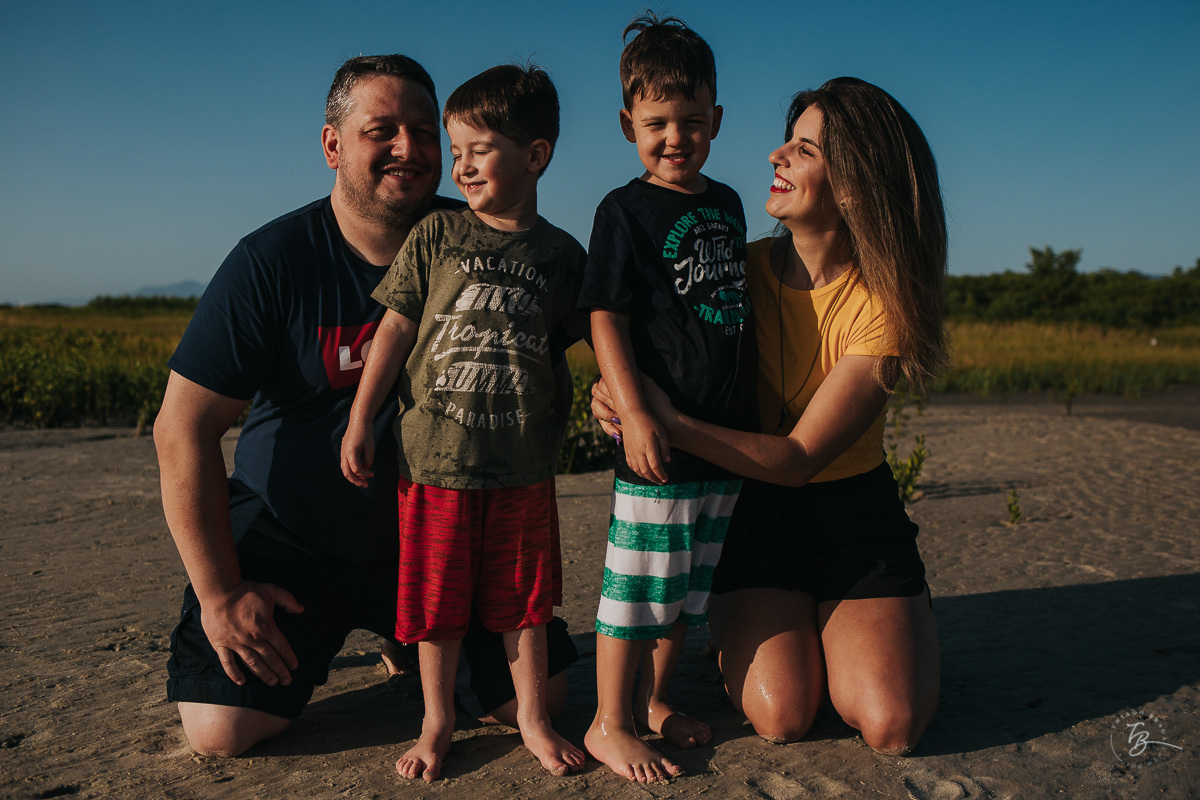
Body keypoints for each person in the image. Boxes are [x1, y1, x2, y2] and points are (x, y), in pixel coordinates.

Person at [155, 54, 576, 759]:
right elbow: (181, 432)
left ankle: (404, 638)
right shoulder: (273, 261)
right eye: (381, 131)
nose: (408, 149)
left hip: (446, 530)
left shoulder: (484, 239)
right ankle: (371, 634)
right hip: (298, 542)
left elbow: (556, 346)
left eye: (423, 132)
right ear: (332, 146)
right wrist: (221, 592)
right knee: (221, 729)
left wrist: (614, 395)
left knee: (537, 698)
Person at [594, 77, 948, 756]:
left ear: (852, 186)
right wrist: (616, 395)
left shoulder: (886, 305)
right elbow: (647, 345)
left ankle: (889, 616)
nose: (774, 155)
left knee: (890, 727)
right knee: (783, 717)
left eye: (803, 148)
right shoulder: (732, 268)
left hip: (851, 517)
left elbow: (800, 458)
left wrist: (668, 422)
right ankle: (756, 625)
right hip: (747, 513)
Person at [340, 64, 587, 781]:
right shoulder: (437, 235)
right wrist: (363, 419)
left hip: (522, 466)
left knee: (526, 600)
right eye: (458, 150)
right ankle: (437, 720)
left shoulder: (561, 256)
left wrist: (599, 406)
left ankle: (535, 720)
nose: (462, 164)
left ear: (535, 155)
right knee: (436, 600)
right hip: (432, 461)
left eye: (480, 148)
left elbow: (573, 347)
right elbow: (392, 333)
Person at [578, 15, 757, 783]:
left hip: (723, 440)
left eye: (690, 120)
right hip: (656, 439)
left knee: (684, 592)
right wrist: (636, 409)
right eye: (656, 123)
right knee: (635, 590)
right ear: (628, 125)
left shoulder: (731, 201)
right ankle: (607, 722)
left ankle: (652, 704)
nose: (674, 136)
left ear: (717, 120)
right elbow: (604, 317)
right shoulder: (623, 211)